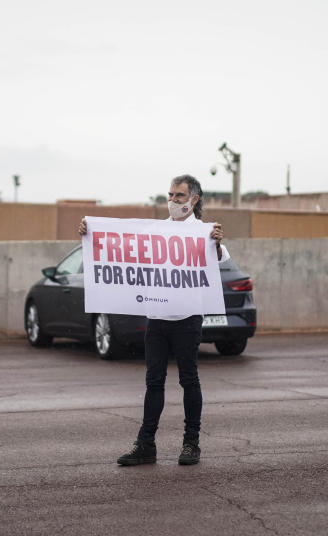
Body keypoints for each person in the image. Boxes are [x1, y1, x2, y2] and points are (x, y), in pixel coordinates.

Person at [79, 174, 228, 466]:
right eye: (170, 195)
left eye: (179, 196)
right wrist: (89, 232)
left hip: (187, 319)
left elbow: (219, 258)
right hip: (157, 319)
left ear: (194, 200)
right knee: (154, 382)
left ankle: (191, 443)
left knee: (189, 379)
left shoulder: (205, 232)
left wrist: (218, 244)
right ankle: (146, 444)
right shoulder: (157, 230)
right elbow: (122, 248)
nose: (172, 201)